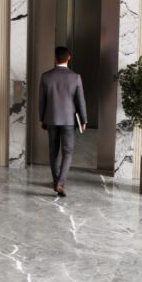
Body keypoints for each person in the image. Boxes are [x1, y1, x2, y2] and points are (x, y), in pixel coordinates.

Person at [39, 46, 87, 197]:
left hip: (51, 119)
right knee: (68, 152)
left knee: (53, 151)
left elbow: (42, 101)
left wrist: (42, 118)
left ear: (55, 58)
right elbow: (81, 102)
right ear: (69, 58)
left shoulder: (46, 76)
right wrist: (84, 119)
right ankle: (60, 182)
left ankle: (56, 181)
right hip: (68, 120)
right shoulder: (75, 77)